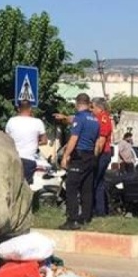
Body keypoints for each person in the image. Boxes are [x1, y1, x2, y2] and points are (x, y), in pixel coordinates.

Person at [59, 93, 100, 230]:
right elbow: (97, 142)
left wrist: (66, 155)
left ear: (77, 103)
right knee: (86, 189)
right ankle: (85, 218)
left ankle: (72, 220)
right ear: (88, 104)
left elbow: (74, 138)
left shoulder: (79, 118)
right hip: (90, 156)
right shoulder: (94, 120)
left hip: (79, 156)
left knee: (71, 187)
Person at [5, 100, 47, 185]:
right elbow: (44, 141)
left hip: (13, 158)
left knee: (12, 185)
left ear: (18, 109)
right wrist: (35, 143)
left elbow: (6, 139)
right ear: (30, 109)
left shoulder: (11, 121)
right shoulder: (37, 122)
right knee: (26, 187)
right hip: (29, 160)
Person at [91, 98, 113, 217]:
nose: (91, 110)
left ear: (99, 108)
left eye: (92, 107)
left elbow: (101, 141)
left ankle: (97, 210)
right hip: (102, 154)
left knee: (94, 182)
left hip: (102, 154)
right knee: (98, 183)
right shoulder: (98, 117)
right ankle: (100, 211)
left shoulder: (103, 118)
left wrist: (94, 157)